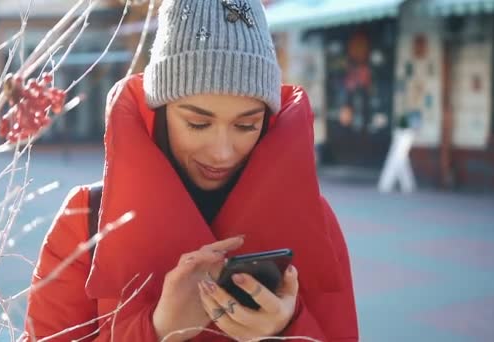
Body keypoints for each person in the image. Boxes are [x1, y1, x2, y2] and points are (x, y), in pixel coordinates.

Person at [23, 0, 359, 340]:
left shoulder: (314, 222)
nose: (222, 152)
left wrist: (287, 330)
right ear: (162, 112)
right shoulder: (87, 220)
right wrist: (157, 330)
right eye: (198, 123)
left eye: (247, 126)